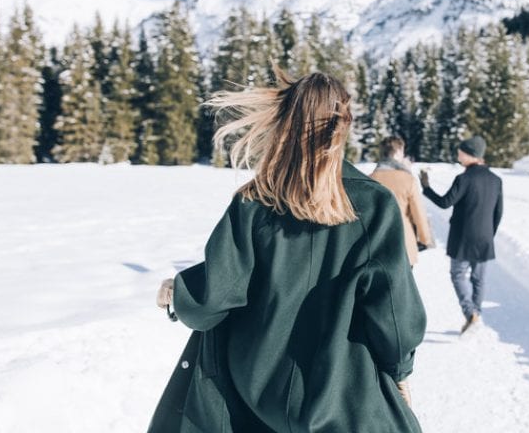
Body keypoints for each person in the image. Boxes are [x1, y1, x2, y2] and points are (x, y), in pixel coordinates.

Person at [149, 71, 426, 433]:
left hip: (252, 401)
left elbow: (214, 296)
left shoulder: (253, 201)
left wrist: (178, 292)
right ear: (343, 125)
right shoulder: (373, 205)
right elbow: (394, 315)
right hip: (339, 402)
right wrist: (399, 371)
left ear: (286, 121)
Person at [419, 136, 503, 334]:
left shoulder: (464, 179)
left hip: (463, 238)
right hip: (485, 237)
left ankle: (470, 313)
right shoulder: (496, 180)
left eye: (460, 152)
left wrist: (426, 187)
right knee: (478, 279)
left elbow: (444, 202)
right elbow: (498, 213)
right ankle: (477, 315)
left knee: (458, 274)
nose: (458, 156)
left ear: (469, 154)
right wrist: (490, 233)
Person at [369, 137, 434, 267]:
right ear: (398, 152)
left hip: (376, 246)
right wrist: (425, 239)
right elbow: (419, 214)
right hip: (403, 245)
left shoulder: (370, 179)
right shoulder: (408, 179)